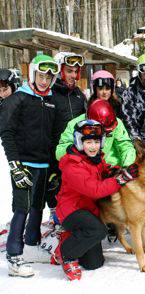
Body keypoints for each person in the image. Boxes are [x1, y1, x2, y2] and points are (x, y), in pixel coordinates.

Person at [52, 119, 138, 280]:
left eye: (97, 142)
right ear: (79, 141)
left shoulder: (95, 158)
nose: (93, 146)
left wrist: (118, 171)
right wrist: (119, 180)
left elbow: (103, 170)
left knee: (94, 263)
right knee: (99, 230)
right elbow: (95, 190)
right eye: (88, 142)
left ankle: (71, 238)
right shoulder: (73, 164)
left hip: (89, 210)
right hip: (72, 210)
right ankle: (66, 254)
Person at [0, 55, 60, 277]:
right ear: (33, 73)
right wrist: (15, 165)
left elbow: (54, 136)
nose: (44, 80)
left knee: (38, 205)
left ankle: (31, 244)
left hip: (44, 164)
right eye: (41, 75)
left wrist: (54, 169)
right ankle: (14, 256)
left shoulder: (51, 101)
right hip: (23, 162)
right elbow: (6, 133)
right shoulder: (18, 99)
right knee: (22, 207)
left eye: (49, 77)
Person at [47, 52, 87, 225]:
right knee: (55, 187)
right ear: (60, 71)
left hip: (76, 153)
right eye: (69, 71)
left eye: (75, 72)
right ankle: (55, 215)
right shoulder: (50, 94)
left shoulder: (79, 95)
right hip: (54, 151)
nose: (72, 75)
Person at [56, 99, 136, 168]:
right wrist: (77, 149)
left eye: (108, 133)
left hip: (109, 168)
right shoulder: (73, 125)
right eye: (102, 132)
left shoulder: (115, 122)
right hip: (83, 169)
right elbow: (59, 154)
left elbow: (125, 145)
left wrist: (128, 166)